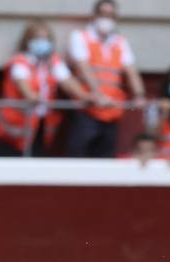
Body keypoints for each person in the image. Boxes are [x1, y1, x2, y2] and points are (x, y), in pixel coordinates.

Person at [0, 20, 91, 157]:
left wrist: (86, 97)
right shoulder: (20, 61)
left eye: (45, 38)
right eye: (37, 38)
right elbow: (22, 83)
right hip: (12, 130)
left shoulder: (52, 62)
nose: (42, 42)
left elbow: (67, 81)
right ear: (27, 40)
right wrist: (32, 96)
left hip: (38, 127)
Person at [63, 0, 147, 157]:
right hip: (86, 108)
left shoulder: (119, 41)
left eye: (110, 15)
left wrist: (139, 94)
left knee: (105, 157)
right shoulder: (81, 36)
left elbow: (131, 70)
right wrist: (98, 94)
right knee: (79, 154)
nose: (106, 19)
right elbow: (83, 66)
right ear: (94, 16)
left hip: (111, 109)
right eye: (103, 14)